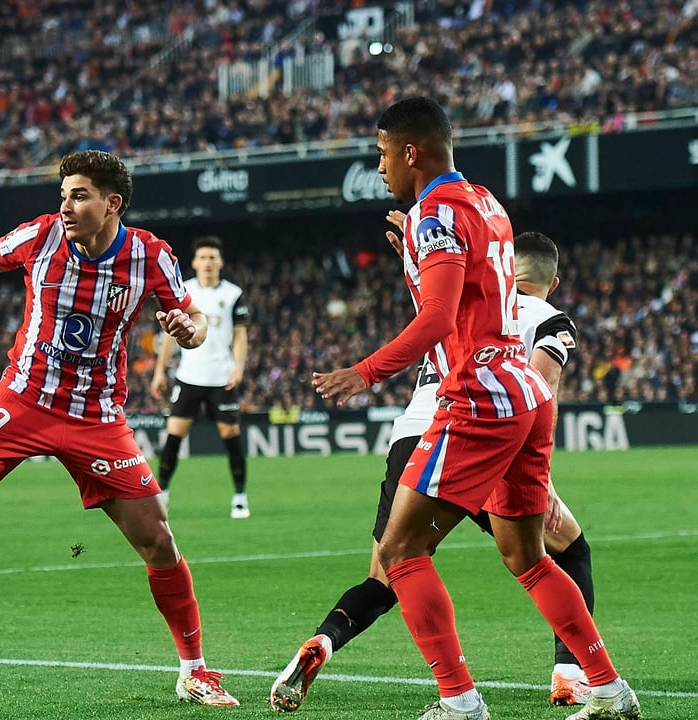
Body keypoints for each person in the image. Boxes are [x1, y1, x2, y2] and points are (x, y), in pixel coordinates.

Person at [0, 150, 240, 707]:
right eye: (63, 196)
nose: (66, 207)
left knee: (158, 541)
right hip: (25, 399)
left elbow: (195, 320)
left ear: (112, 203)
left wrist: (188, 329)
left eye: (78, 196)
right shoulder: (42, 237)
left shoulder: (150, 255)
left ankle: (194, 671)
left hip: (96, 416)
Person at [305, 97, 639, 720]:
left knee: (399, 554)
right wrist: (416, 258)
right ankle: (608, 688)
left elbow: (438, 318)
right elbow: (471, 298)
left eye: (381, 152)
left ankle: (459, 700)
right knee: (529, 558)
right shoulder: (485, 202)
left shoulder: (433, 213)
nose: (378, 167)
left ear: (410, 151)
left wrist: (365, 372)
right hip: (523, 390)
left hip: (477, 397)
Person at [271, 228, 599, 711]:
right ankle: (571, 675)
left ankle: (325, 639)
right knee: (565, 551)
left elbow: (433, 308)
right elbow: (539, 385)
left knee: (389, 573)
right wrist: (541, 476)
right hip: (479, 436)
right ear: (552, 284)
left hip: (411, 437)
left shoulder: (469, 300)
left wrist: (416, 259)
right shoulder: (547, 318)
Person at [149, 235, 251, 518]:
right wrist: (159, 371)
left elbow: (240, 336)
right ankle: (162, 494)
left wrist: (238, 367)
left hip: (221, 377)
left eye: (212, 258)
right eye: (203, 258)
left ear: (220, 262)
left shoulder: (233, 294)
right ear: (194, 262)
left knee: (231, 436)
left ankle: (240, 497)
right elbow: (169, 336)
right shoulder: (184, 292)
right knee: (174, 435)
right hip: (189, 376)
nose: (207, 263)